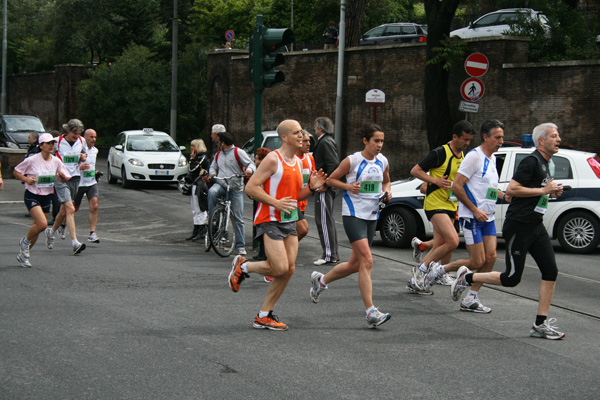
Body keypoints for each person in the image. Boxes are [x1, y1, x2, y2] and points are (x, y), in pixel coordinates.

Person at [452, 123, 566, 339]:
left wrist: (550, 193)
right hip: (519, 225)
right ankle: (467, 279)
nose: (558, 139)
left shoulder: (545, 163)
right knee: (512, 278)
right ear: (541, 141)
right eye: (554, 136)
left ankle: (539, 324)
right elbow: (513, 188)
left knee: (550, 271)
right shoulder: (532, 161)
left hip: (536, 225)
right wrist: (543, 190)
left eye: (558, 135)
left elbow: (533, 192)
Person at [228, 119, 326, 331]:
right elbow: (251, 188)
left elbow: (296, 195)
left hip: (289, 218)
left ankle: (264, 315)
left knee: (288, 270)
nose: (302, 136)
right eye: (297, 133)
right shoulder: (273, 159)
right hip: (270, 218)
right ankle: (243, 267)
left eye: (302, 132)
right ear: (284, 137)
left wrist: (312, 187)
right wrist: (275, 203)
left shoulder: (299, 162)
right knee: (280, 267)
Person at [418, 120, 510, 313]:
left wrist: (505, 196)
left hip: (489, 217)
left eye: (502, 137)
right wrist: (475, 210)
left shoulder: (492, 159)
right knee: (476, 261)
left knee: (491, 257)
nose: (501, 141)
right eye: (498, 137)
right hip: (472, 217)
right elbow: (458, 186)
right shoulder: (473, 157)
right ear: (486, 137)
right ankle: (440, 270)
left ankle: (471, 298)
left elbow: (489, 189)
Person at [310, 123, 392, 328]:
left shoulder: (383, 161)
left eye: (382, 141)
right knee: (368, 260)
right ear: (365, 141)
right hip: (353, 213)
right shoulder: (353, 160)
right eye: (376, 141)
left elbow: (386, 181)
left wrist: (387, 191)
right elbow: (330, 179)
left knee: (356, 264)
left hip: (373, 214)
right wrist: (348, 186)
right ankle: (371, 311)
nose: (380, 145)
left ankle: (321, 281)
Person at [407, 120, 474, 294]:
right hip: (435, 202)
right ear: (455, 137)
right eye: (464, 140)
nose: (467, 144)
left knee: (440, 243)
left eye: (469, 141)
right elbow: (415, 170)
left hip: (451, 203)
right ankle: (421, 271)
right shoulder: (440, 152)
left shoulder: (463, 157)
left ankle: (433, 275)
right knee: (453, 240)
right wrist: (435, 180)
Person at [13, 133, 71, 267]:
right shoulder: (32, 159)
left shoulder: (56, 161)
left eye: (52, 143)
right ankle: (25, 242)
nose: (51, 145)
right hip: (32, 195)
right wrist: (27, 179)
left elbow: (64, 177)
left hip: (46, 196)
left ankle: (24, 256)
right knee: (43, 224)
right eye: (48, 143)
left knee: (37, 227)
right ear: (41, 146)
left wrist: (62, 177)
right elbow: (16, 171)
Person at [45, 119, 89, 255]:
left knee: (64, 211)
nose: (76, 137)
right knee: (70, 208)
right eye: (74, 134)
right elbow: (48, 157)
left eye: (78, 134)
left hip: (75, 177)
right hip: (61, 179)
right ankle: (75, 242)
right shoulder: (56, 141)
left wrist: (83, 157)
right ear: (67, 131)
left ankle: (51, 232)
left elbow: (85, 154)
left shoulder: (81, 141)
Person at [207, 131, 255, 255]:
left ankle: (240, 246)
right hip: (221, 184)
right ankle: (213, 217)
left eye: (219, 143)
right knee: (212, 192)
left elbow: (251, 163)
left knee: (238, 218)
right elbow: (213, 167)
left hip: (235, 187)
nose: (217, 145)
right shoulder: (218, 154)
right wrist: (212, 173)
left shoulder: (238, 152)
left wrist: (249, 170)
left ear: (222, 143)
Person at [312, 116, 340, 266]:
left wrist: (326, 184)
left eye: (315, 127)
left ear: (320, 128)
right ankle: (331, 253)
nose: (314, 129)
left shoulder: (325, 142)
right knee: (326, 219)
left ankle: (329, 255)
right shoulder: (327, 141)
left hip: (324, 187)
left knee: (323, 220)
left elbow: (333, 164)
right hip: (325, 185)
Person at [73, 129, 101, 244]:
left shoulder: (95, 151)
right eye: (91, 137)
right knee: (73, 208)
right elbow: (68, 166)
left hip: (91, 183)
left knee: (94, 206)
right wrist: (80, 167)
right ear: (84, 137)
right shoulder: (77, 150)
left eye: (95, 137)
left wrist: (95, 171)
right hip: (79, 183)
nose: (93, 139)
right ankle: (62, 225)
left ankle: (92, 233)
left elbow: (92, 165)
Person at [185, 139, 211, 241]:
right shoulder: (199, 157)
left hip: (200, 184)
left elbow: (193, 169)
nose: (191, 148)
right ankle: (196, 229)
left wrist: (192, 159)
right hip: (195, 184)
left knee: (200, 207)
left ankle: (202, 230)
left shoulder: (203, 158)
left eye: (193, 146)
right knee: (195, 208)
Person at [251, 147, 272, 263]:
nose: (254, 159)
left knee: (263, 227)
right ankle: (262, 252)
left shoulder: (261, 170)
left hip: (262, 202)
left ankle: (263, 253)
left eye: (256, 157)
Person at [296, 130, 315, 242]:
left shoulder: (309, 158)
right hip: (291, 202)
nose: (308, 144)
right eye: (305, 141)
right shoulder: (292, 159)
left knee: (294, 232)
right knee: (302, 229)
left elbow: (312, 178)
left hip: (302, 202)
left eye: (309, 141)